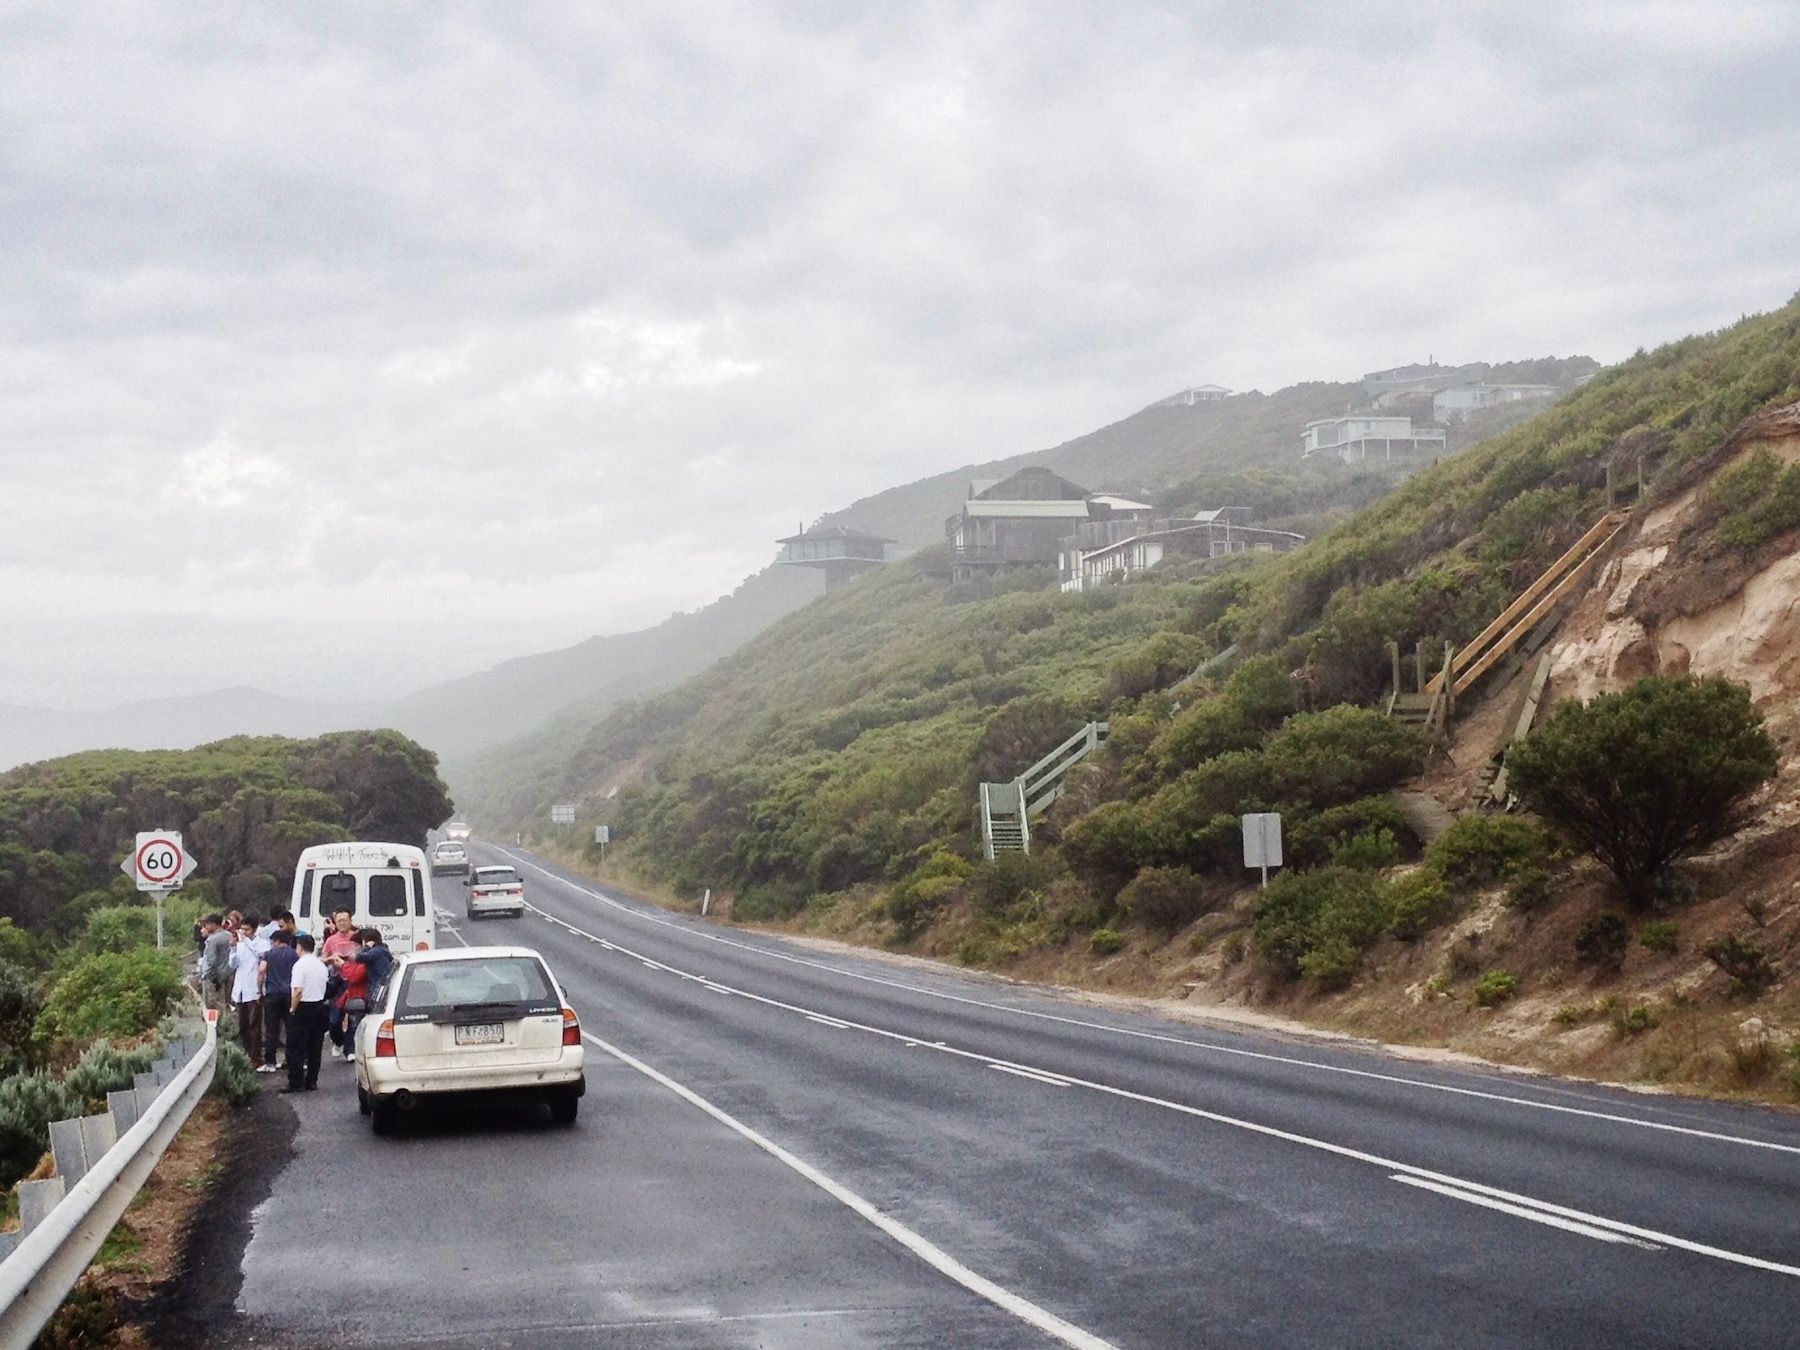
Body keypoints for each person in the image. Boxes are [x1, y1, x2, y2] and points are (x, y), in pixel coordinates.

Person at [334, 928, 392, 1060]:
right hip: (379, 990)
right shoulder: (383, 951)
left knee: (360, 1024)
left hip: (372, 993)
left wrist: (366, 947)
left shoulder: (374, 953)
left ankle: (359, 1050)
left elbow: (358, 964)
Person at [284, 933, 330, 1094]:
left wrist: (292, 1009)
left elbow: (297, 991)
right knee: (315, 1047)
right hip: (319, 1006)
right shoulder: (320, 965)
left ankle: (295, 1081)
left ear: (300, 947)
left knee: (295, 1047)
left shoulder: (299, 965)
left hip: (303, 1007)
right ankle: (312, 1081)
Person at [258, 930, 298, 1073]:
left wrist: (259, 989)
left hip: (272, 994)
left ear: (276, 941)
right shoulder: (294, 954)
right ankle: (291, 1060)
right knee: (291, 1029)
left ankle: (270, 1062)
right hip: (289, 994)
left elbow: (261, 971)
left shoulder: (269, 954)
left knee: (271, 1030)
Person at [230, 915, 269, 1060]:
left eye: (247, 929)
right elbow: (233, 965)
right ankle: (246, 1054)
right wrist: (233, 948)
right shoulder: (240, 945)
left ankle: (256, 1057)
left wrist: (245, 941)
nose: (244, 932)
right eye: (242, 929)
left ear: (254, 929)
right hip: (240, 989)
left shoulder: (263, 944)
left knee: (255, 1026)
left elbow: (260, 956)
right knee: (243, 1026)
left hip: (254, 990)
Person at [197, 915, 233, 1016]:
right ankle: (228, 1025)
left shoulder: (212, 939)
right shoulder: (229, 935)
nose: (206, 927)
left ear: (213, 924)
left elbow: (211, 961)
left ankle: (217, 1028)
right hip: (229, 973)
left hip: (215, 977)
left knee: (214, 1004)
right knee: (227, 1002)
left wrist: (212, 977)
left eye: (207, 925)